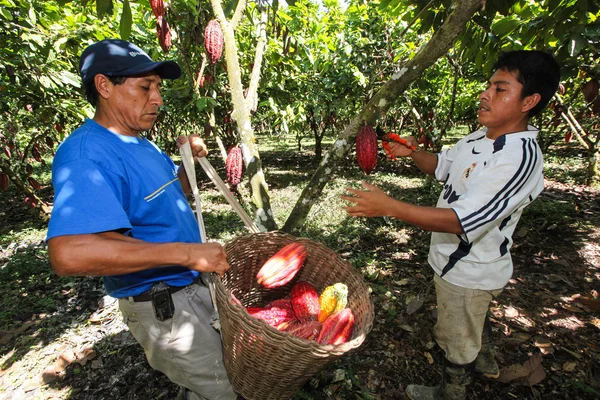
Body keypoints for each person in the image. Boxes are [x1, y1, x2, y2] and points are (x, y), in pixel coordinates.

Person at [342, 50, 561, 400]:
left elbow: (462, 221)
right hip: (451, 262)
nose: (485, 94)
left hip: (471, 271)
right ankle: (485, 359)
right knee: (472, 322)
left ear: (529, 101)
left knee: (456, 337)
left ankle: (451, 390)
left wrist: (389, 207)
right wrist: (413, 153)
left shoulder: (517, 158)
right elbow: (444, 166)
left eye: (500, 89)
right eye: (489, 85)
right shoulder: (480, 136)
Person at [46, 39, 237, 400]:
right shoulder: (87, 155)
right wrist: (186, 254)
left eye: (158, 87)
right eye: (145, 87)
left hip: (191, 288)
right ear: (104, 86)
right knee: (223, 390)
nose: (157, 99)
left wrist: (187, 163)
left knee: (222, 380)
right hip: (165, 304)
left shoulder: (139, 141)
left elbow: (168, 196)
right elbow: (69, 252)